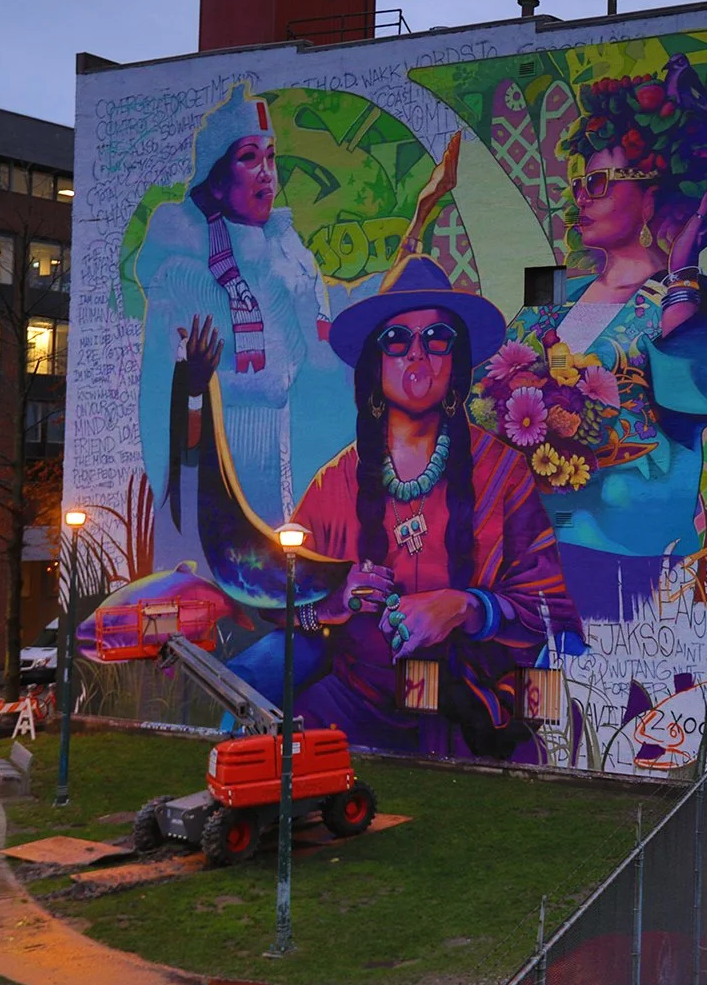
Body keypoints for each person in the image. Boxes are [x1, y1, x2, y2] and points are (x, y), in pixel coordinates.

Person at [189, 253, 585, 760]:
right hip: (351, 708)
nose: (416, 355)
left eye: (436, 338)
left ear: (456, 360)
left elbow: (549, 607)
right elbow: (281, 598)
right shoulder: (335, 483)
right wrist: (333, 599)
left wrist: (466, 607)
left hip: (474, 715)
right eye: (396, 341)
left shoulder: (501, 472)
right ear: (376, 366)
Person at [135, 82, 459, 572]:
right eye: (249, 157)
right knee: (220, 582)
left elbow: (328, 339)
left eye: (271, 156)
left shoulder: (287, 257)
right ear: (217, 179)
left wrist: (416, 226)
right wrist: (196, 389)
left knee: (276, 579)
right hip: (210, 469)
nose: (267, 173)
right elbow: (163, 396)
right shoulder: (181, 272)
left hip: (278, 452)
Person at [493, 55, 707, 620]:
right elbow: (489, 388)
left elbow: (705, 392)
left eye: (598, 182)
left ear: (651, 194)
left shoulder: (688, 296)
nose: (581, 197)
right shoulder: (553, 291)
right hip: (526, 561)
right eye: (578, 184)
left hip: (632, 566)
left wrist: (683, 266)